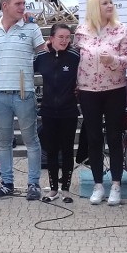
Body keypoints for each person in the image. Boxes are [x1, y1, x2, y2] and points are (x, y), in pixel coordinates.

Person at [0, 0, 46, 201]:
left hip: (24, 92)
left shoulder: (31, 27)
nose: (23, 7)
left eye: (23, 3)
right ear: (5, 6)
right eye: (18, 4)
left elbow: (45, 54)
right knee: (4, 141)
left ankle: (33, 184)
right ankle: (7, 183)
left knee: (31, 140)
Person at [74, 0, 127, 206]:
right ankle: (98, 184)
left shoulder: (121, 29)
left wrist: (114, 60)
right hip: (88, 91)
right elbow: (74, 57)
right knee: (94, 138)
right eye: (104, 3)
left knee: (115, 138)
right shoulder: (81, 31)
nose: (110, 5)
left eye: (111, 2)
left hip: (114, 89)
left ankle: (116, 184)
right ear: (94, 7)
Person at [34, 23, 80, 203]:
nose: (65, 41)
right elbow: (26, 68)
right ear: (51, 38)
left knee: (68, 150)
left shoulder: (74, 56)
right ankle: (53, 189)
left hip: (69, 110)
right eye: (60, 37)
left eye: (68, 37)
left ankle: (66, 189)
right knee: (51, 150)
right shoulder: (42, 57)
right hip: (48, 111)